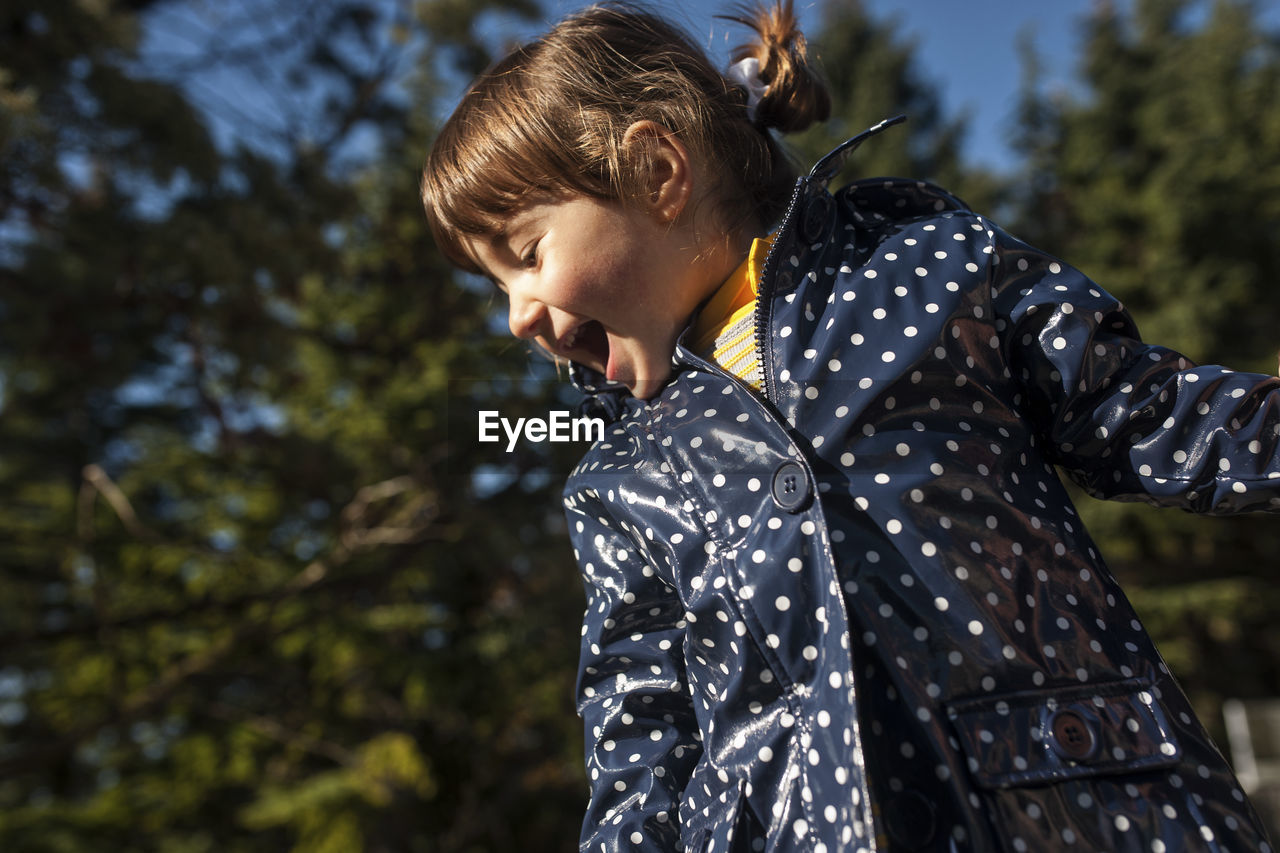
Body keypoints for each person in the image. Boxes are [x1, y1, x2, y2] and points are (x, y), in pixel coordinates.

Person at [421, 2, 1280, 850]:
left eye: (527, 256)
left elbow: (1146, 412)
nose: (517, 318)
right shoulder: (619, 482)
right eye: (496, 285)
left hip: (1067, 804)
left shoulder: (925, 269)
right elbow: (641, 733)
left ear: (656, 171)